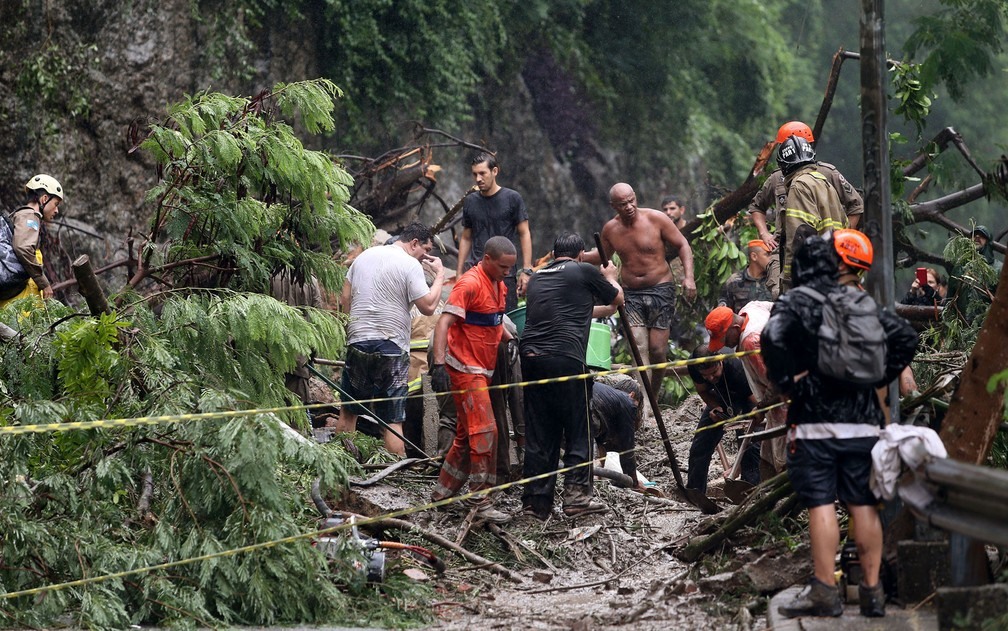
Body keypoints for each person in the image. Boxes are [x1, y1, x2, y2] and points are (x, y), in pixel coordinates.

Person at [761, 234, 917, 619]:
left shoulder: (798, 299)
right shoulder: (860, 301)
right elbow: (905, 336)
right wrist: (878, 375)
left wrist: (787, 385)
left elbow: (771, 336)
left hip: (815, 421)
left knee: (820, 503)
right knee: (863, 504)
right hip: (864, 422)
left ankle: (825, 591)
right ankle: (872, 591)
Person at [520, 232, 622, 520]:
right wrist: (611, 275)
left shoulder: (538, 277)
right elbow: (619, 297)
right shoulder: (584, 270)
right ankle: (577, 497)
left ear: (553, 255)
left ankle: (535, 503)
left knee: (541, 431)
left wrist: (609, 307)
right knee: (578, 427)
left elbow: (574, 311)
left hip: (531, 359)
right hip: (565, 358)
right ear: (579, 255)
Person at [336, 222, 445, 456]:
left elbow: (345, 297)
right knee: (392, 420)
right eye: (425, 252)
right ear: (414, 243)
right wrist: (440, 276)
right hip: (392, 348)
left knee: (349, 411)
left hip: (358, 342)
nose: (425, 259)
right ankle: (396, 476)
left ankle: (342, 466)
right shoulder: (409, 264)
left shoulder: (363, 257)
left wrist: (353, 329)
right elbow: (428, 307)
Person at [430, 236, 517, 523]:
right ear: (487, 259)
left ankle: (442, 494)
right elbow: (444, 322)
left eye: (510, 268)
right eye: (503, 266)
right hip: (465, 368)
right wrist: (439, 364)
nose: (508, 272)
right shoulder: (469, 283)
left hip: (484, 368)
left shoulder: (499, 284)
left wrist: (512, 339)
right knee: (485, 431)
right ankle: (480, 500)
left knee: (467, 437)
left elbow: (492, 322)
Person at [585, 182, 697, 405]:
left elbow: (683, 244)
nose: (628, 207)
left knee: (657, 350)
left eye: (631, 201)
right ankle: (643, 405)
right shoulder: (610, 229)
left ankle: (652, 397)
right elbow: (602, 256)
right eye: (622, 204)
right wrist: (577, 255)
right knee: (638, 346)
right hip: (631, 294)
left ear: (635, 197)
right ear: (613, 206)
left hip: (661, 289)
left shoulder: (656, 219)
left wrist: (689, 277)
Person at [749, 122, 862, 293]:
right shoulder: (777, 178)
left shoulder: (827, 173)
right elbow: (757, 206)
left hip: (811, 252)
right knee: (778, 293)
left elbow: (855, 205)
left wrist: (841, 240)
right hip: (784, 249)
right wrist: (765, 234)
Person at [705, 300, 788, 477]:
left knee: (785, 460)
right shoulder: (752, 308)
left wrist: (760, 408)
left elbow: (778, 383)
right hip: (777, 402)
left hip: (786, 403)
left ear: (735, 327)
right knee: (767, 457)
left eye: (725, 339)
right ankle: (767, 498)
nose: (726, 345)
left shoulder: (751, 342)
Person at [456, 152, 533, 311]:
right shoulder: (470, 201)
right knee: (476, 318)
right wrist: (459, 273)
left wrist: (526, 270)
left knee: (507, 320)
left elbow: (524, 233)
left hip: (505, 273)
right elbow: (466, 237)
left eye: (482, 173)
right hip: (477, 271)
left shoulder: (512, 198)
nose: (478, 179)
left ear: (495, 171)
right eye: (475, 174)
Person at [684, 344, 760, 494]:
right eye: (706, 376)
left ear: (720, 362)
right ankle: (695, 492)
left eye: (714, 373)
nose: (711, 378)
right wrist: (716, 407)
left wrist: (750, 419)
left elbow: (757, 403)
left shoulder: (736, 368)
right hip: (721, 397)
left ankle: (749, 491)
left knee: (750, 443)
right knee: (700, 444)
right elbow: (703, 391)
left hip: (748, 397)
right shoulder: (694, 366)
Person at [774, 135, 848, 290]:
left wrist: (788, 283)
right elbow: (845, 227)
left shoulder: (799, 185)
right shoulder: (824, 183)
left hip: (810, 281)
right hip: (834, 276)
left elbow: (799, 237)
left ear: (783, 165)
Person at [1, 174, 64, 309]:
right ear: (44, 199)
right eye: (56, 204)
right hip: (20, 298)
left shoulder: (20, 216)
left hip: (15, 296)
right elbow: (23, 248)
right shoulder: (30, 216)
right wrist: (44, 283)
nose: (57, 210)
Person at [590, 380, 643, 489]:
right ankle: (594, 485)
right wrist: (634, 481)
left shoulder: (606, 398)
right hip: (586, 412)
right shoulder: (628, 401)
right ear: (632, 395)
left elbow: (599, 445)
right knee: (591, 453)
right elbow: (627, 449)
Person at [719, 239, 775, 312]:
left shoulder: (774, 279)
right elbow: (725, 312)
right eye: (767, 254)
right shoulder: (734, 281)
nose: (772, 258)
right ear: (754, 256)